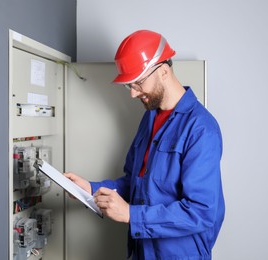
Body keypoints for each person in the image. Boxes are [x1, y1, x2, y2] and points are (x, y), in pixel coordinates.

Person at [65, 29, 225, 260]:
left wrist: (131, 215)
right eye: (128, 85)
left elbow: (201, 212)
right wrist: (90, 188)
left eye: (138, 83)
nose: (132, 94)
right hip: (142, 251)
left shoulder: (201, 129)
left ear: (163, 72)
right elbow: (136, 184)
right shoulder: (150, 119)